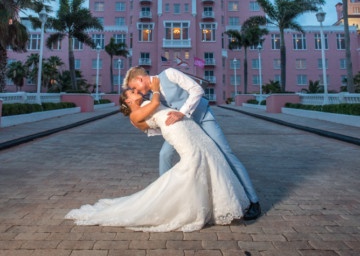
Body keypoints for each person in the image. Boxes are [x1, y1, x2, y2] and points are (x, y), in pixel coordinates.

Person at [65, 77, 250, 232]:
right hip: (177, 131)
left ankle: (215, 203)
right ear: (127, 101)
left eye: (134, 89)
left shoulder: (142, 105)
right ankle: (183, 205)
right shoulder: (134, 115)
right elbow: (155, 104)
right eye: (131, 92)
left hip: (186, 125)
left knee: (208, 154)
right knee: (193, 161)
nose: (135, 91)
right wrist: (154, 89)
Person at [123, 66, 261, 220]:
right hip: (185, 128)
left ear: (140, 79)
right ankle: (166, 200)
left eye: (135, 87)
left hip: (202, 118)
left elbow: (197, 90)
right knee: (164, 154)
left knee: (226, 154)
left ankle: (254, 201)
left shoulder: (169, 74)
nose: (138, 91)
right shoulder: (153, 96)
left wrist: (182, 112)